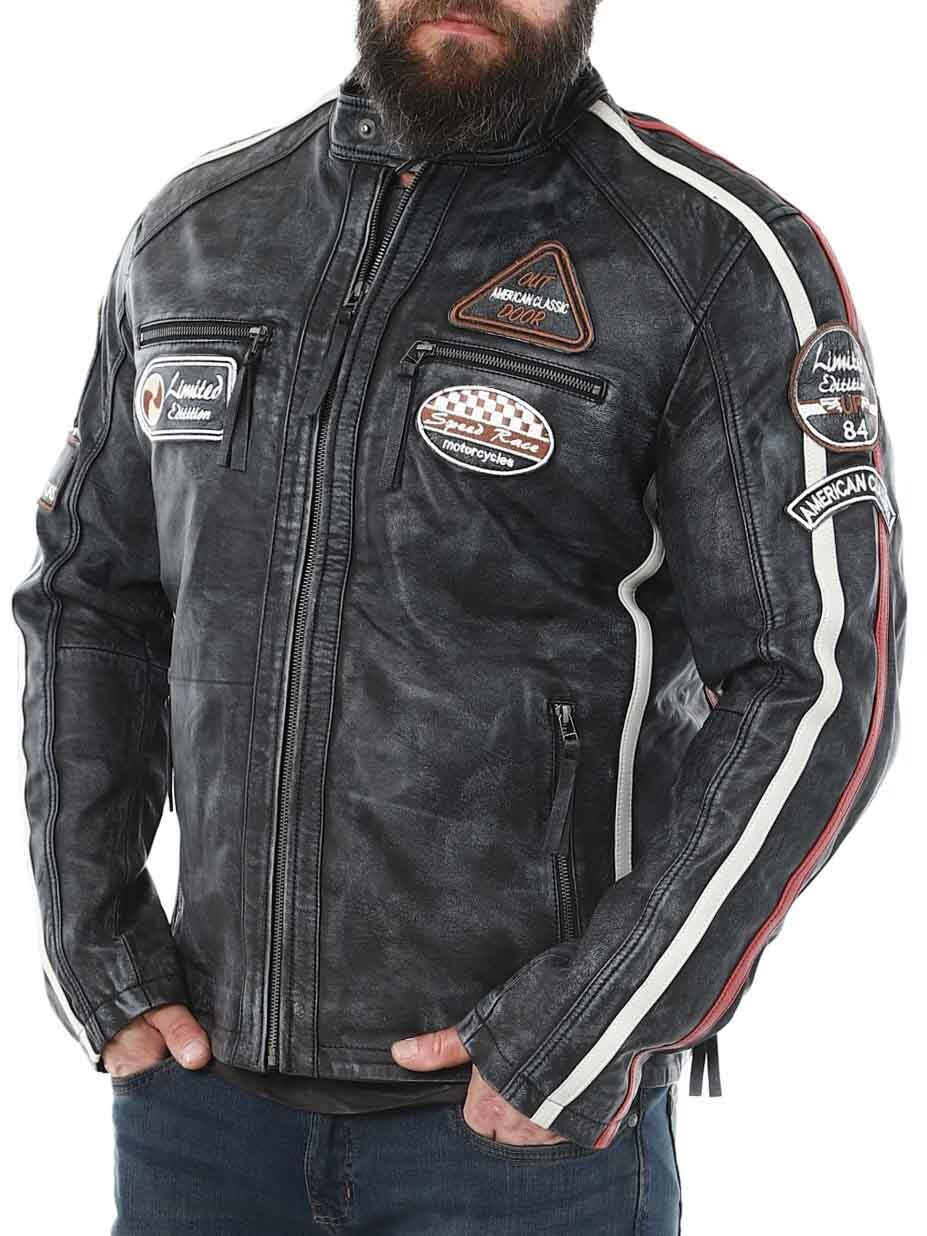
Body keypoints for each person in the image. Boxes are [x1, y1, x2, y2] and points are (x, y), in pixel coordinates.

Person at [13, 1, 905, 1232]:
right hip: (200, 1115)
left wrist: (590, 1025)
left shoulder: (711, 255)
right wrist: (99, 955)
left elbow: (814, 683)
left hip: (515, 1137)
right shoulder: (196, 233)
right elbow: (89, 602)